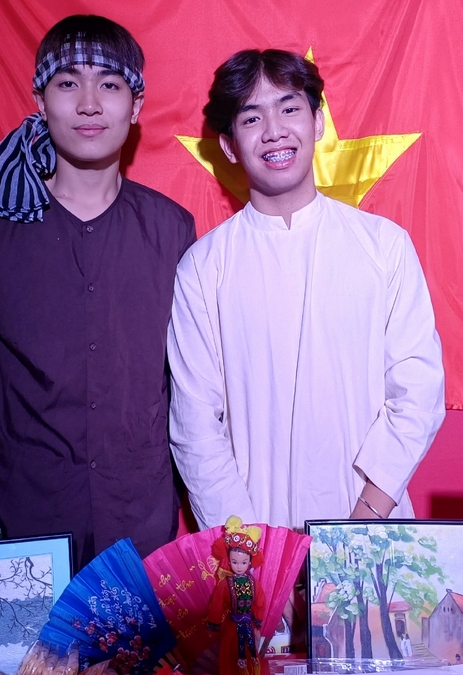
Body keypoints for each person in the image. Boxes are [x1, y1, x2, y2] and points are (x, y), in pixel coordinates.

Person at [0, 15, 196, 569]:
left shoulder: (172, 228)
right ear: (40, 100)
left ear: (135, 106)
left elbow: (183, 380)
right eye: (68, 83)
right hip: (25, 512)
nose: (89, 104)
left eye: (109, 84)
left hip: (139, 516)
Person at [167, 49, 445, 531]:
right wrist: (248, 546)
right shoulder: (204, 267)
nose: (274, 130)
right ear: (229, 145)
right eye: (252, 117)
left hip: (370, 525)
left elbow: (417, 392)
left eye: (289, 108)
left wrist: (361, 521)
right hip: (252, 538)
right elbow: (195, 426)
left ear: (317, 122)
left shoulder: (384, 246)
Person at [206, 516, 266, 675]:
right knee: (230, 655)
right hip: (231, 626)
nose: (239, 566)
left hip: (248, 625)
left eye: (244, 562)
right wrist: (214, 624)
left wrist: (258, 622)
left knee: (250, 654)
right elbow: (217, 605)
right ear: (228, 560)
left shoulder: (254, 583)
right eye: (235, 562)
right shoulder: (225, 584)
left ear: (250, 562)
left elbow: (260, 602)